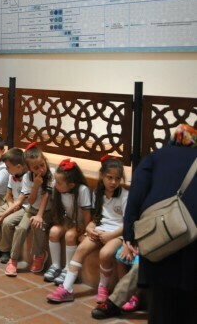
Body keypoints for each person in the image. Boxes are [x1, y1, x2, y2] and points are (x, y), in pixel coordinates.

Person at [119, 123, 197, 322]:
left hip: (160, 241)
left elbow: (135, 196)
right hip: (193, 247)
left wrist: (130, 235)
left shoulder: (156, 157)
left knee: (161, 308)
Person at [47, 156, 127, 304]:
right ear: (102, 176)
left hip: (117, 233)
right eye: (109, 177)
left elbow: (127, 223)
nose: (113, 182)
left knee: (105, 254)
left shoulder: (125, 196)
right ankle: (67, 288)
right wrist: (90, 228)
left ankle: (103, 287)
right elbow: (95, 219)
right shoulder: (98, 193)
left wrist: (111, 235)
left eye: (117, 178)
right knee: (81, 249)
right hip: (100, 229)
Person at [5, 143, 55, 277]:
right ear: (29, 168)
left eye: (42, 165)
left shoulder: (51, 174)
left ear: (45, 160)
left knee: (37, 225)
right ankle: (13, 259)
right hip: (32, 209)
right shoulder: (28, 177)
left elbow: (46, 196)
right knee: (21, 229)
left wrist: (39, 215)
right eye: (36, 168)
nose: (41, 169)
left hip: (47, 211)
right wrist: (36, 186)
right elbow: (31, 201)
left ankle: (39, 255)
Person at [44, 159, 93, 285]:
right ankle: (55, 265)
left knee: (70, 236)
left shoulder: (82, 190)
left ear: (71, 185)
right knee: (54, 232)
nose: (55, 185)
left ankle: (68, 268)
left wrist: (86, 232)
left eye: (59, 183)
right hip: (70, 220)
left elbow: (87, 214)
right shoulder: (59, 189)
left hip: (81, 222)